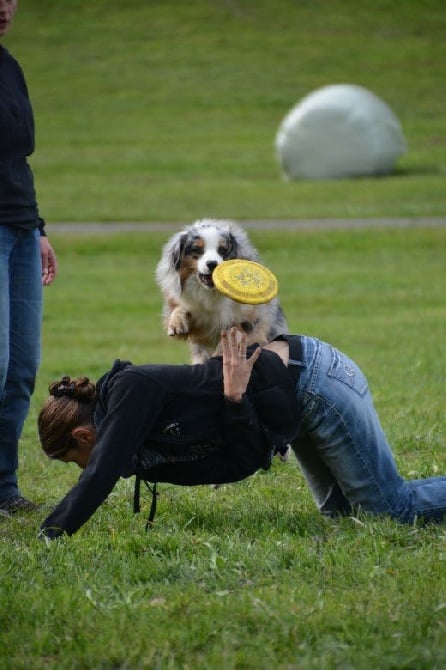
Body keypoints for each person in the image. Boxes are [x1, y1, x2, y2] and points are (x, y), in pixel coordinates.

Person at [37, 328, 446, 539]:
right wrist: (233, 404)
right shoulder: (148, 453)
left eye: (78, 461)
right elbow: (237, 463)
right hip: (290, 408)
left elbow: (100, 474)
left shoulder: (133, 389)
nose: (85, 469)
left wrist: (50, 535)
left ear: (84, 436)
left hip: (315, 382)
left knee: (391, 512)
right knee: (342, 519)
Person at [0, 0, 58, 513]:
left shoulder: (9, 67)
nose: (3, 8)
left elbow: (17, 158)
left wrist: (37, 227)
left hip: (19, 231)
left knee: (20, 368)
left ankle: (3, 489)